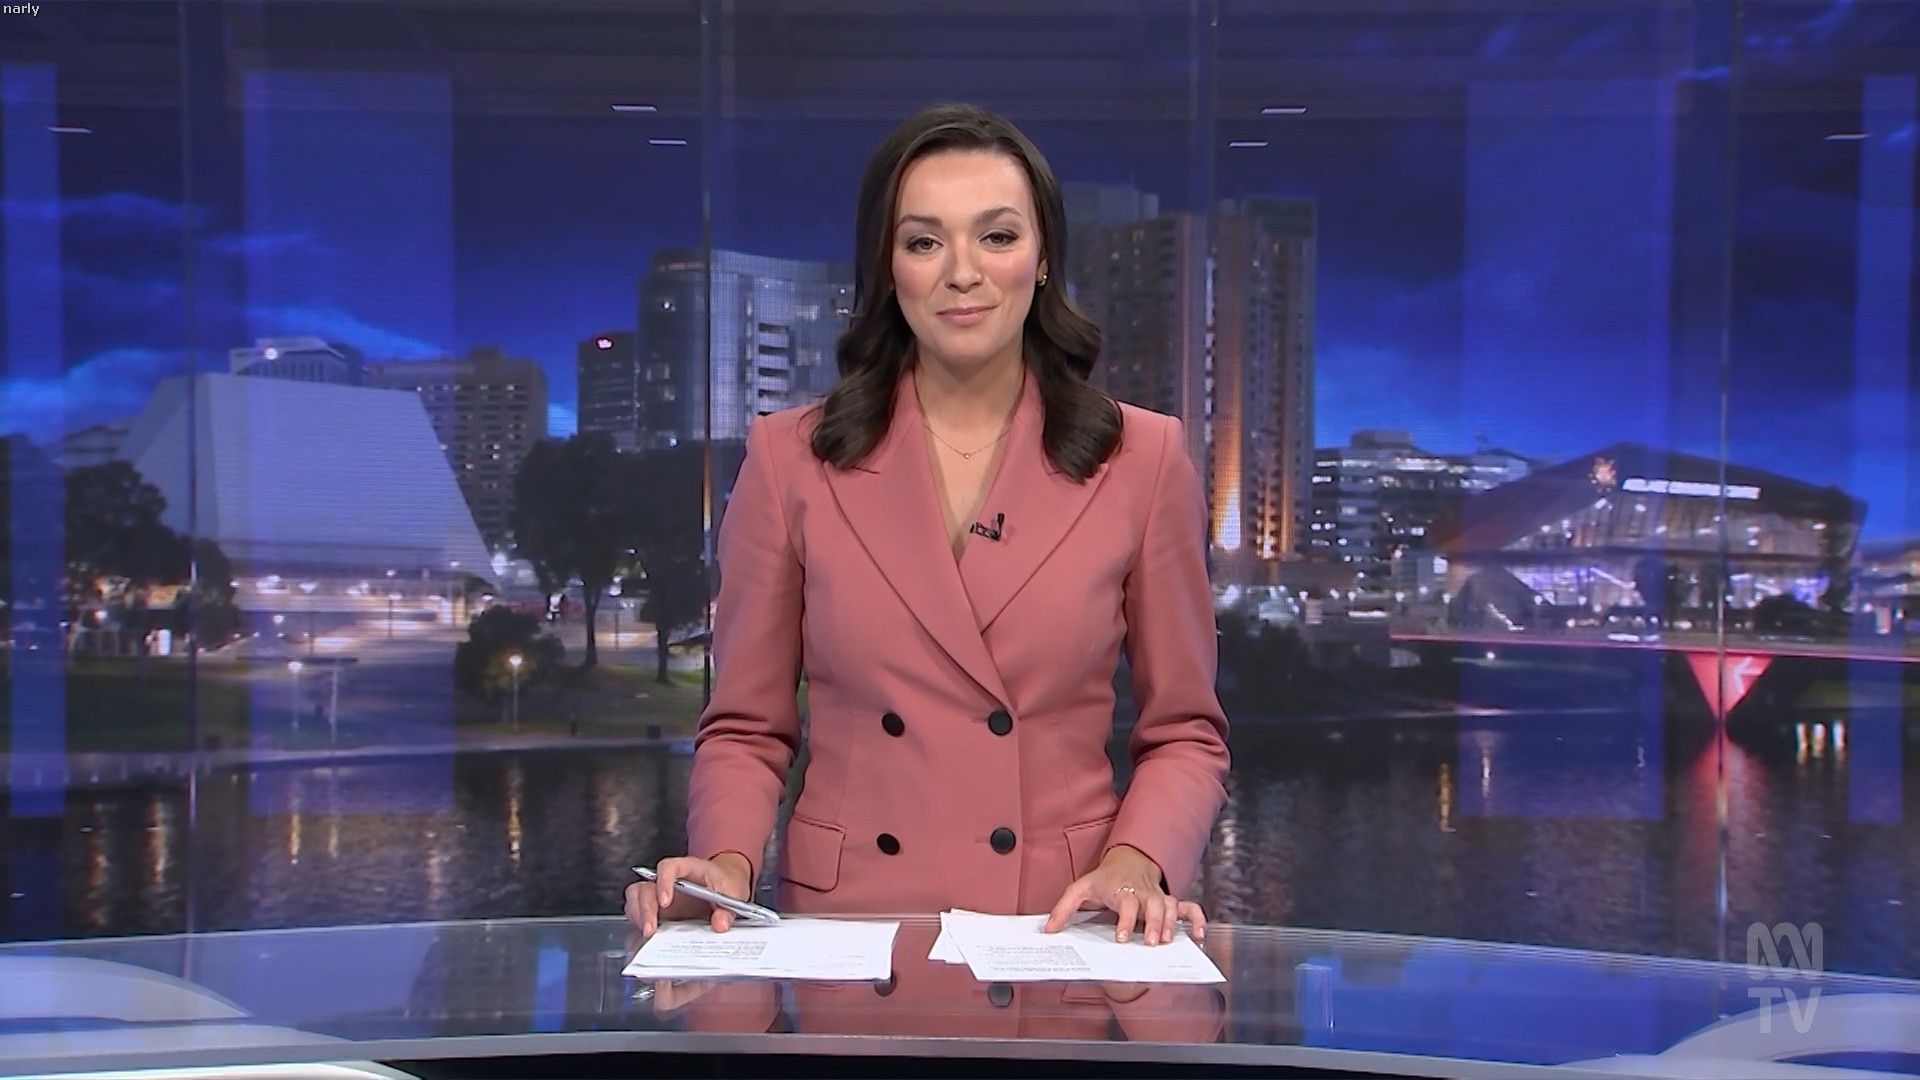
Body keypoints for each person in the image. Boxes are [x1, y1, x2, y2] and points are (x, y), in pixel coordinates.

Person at [625, 102, 1229, 946]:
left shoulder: (1144, 459)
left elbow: (1185, 733)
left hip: (1062, 925)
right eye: (923, 242)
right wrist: (726, 861)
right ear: (888, 265)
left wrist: (1139, 861)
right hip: (853, 934)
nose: (962, 273)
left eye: (997, 236)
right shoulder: (789, 458)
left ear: (1043, 258)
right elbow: (747, 727)